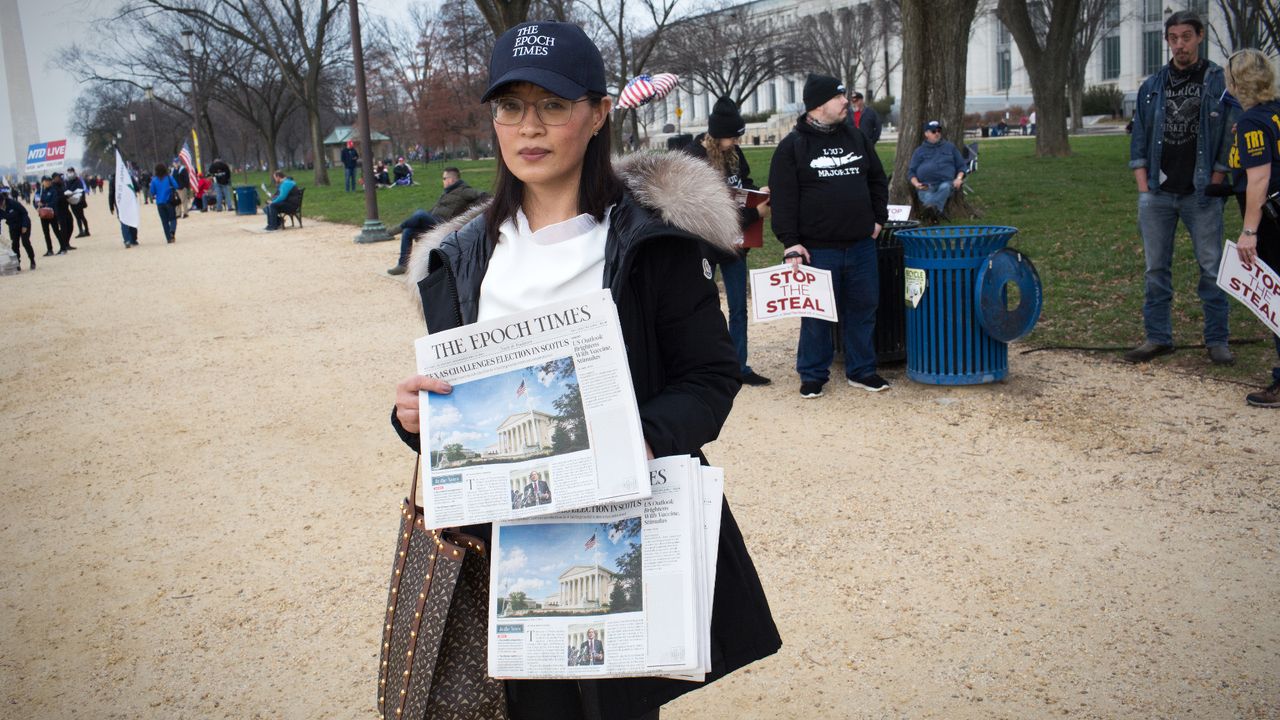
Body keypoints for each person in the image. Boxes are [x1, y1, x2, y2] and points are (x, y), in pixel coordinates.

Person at [391, 21, 780, 720]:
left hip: (622, 531)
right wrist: (416, 419)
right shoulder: (462, 257)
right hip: (508, 556)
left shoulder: (650, 243)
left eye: (553, 105)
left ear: (598, 113)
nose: (528, 127)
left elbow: (710, 378)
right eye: (510, 106)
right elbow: (465, 421)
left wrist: (639, 439)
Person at [768, 72, 890, 398]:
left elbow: (877, 179)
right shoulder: (793, 147)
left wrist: (878, 219)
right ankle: (812, 374)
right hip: (818, 250)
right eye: (838, 97)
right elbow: (783, 199)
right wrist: (791, 242)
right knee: (817, 315)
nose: (845, 102)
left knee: (864, 309)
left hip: (862, 245)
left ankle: (862, 370)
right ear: (819, 105)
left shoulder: (856, 138)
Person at [1125, 10, 1233, 365]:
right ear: (1167, 41)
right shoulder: (1152, 86)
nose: (1180, 45)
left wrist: (1217, 179)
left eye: (1187, 36)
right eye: (1174, 38)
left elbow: (1227, 138)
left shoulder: (1218, 82)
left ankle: (1217, 340)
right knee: (1156, 269)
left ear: (1200, 36)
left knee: (1211, 269)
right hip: (1157, 193)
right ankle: (1158, 337)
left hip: (1201, 193)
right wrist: (1144, 187)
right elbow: (1139, 137)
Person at [685, 96, 772, 386]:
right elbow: (703, 207)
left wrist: (758, 194)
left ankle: (739, 366)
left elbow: (743, 185)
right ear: (717, 133)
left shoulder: (736, 154)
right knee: (702, 307)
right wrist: (752, 215)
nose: (736, 141)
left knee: (738, 306)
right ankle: (705, 367)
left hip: (736, 244)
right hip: (706, 244)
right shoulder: (694, 157)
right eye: (732, 136)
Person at [1225, 48, 1280, 407]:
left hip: (1272, 221)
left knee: (1277, 299)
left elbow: (1259, 178)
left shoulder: (1252, 122)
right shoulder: (1272, 113)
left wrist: (1249, 232)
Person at [386, 166, 490, 275]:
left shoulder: (464, 191)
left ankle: (394, 230)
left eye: (444, 178)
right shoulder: (446, 193)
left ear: (451, 179)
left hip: (443, 225)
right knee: (408, 230)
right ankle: (402, 264)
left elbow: (484, 196)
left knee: (420, 213)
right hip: (433, 222)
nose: (443, 181)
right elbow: (434, 211)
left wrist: (471, 212)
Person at [908, 120, 966, 221]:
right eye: (934, 131)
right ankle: (935, 213)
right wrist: (916, 184)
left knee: (945, 187)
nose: (937, 133)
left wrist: (959, 178)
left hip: (945, 183)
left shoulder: (950, 147)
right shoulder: (919, 151)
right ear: (926, 134)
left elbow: (961, 166)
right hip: (925, 185)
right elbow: (911, 171)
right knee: (927, 195)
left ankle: (929, 213)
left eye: (939, 130)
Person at [1, 189, 36, 270]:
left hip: (24, 224)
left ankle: (32, 260)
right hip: (12, 226)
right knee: (15, 245)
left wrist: (24, 226)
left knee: (25, 242)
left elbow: (24, 213)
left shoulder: (13, 203)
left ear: (3, 200)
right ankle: (17, 264)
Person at [107, 171, 139, 248]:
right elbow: (137, 188)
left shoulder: (113, 180)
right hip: (130, 202)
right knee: (132, 220)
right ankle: (133, 239)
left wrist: (111, 206)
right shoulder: (129, 177)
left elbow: (111, 194)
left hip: (119, 203)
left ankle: (127, 240)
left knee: (123, 222)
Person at [149, 164, 180, 243]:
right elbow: (176, 186)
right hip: (169, 201)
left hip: (160, 203)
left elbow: (152, 192)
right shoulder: (169, 177)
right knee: (173, 219)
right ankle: (172, 231)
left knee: (164, 221)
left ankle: (169, 238)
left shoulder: (154, 180)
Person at [49, 173, 75, 254]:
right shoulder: (53, 187)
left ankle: (66, 243)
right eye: (58, 177)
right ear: (53, 178)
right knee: (63, 228)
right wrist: (65, 196)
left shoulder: (62, 184)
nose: (60, 178)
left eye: (60, 177)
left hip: (66, 208)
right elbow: (56, 199)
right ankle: (63, 245)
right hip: (59, 210)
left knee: (70, 226)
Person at [36, 176, 60, 256]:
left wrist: (45, 204)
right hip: (43, 215)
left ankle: (63, 247)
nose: (48, 182)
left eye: (49, 181)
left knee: (56, 231)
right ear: (42, 182)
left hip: (52, 214)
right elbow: (35, 201)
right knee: (46, 233)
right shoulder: (39, 191)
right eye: (46, 181)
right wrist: (37, 205)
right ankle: (49, 250)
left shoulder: (53, 190)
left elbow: (55, 201)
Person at [64, 167, 91, 237]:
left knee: (81, 216)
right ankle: (81, 231)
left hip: (79, 201)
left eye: (71, 171)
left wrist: (80, 198)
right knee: (77, 217)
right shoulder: (66, 181)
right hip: (71, 201)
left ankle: (87, 230)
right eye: (69, 171)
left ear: (74, 172)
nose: (70, 173)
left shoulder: (78, 180)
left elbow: (82, 190)